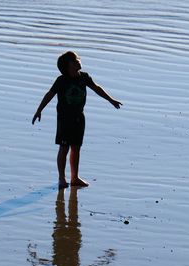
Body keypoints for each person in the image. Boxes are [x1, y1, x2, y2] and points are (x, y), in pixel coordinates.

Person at [32, 51, 122, 187]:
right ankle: (61, 178)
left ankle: (75, 177)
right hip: (64, 119)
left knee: (76, 148)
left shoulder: (84, 77)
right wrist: (39, 110)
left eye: (77, 59)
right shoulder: (61, 80)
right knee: (64, 147)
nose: (78, 61)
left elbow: (97, 88)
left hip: (79, 117)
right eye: (74, 60)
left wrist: (111, 100)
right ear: (67, 66)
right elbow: (49, 94)